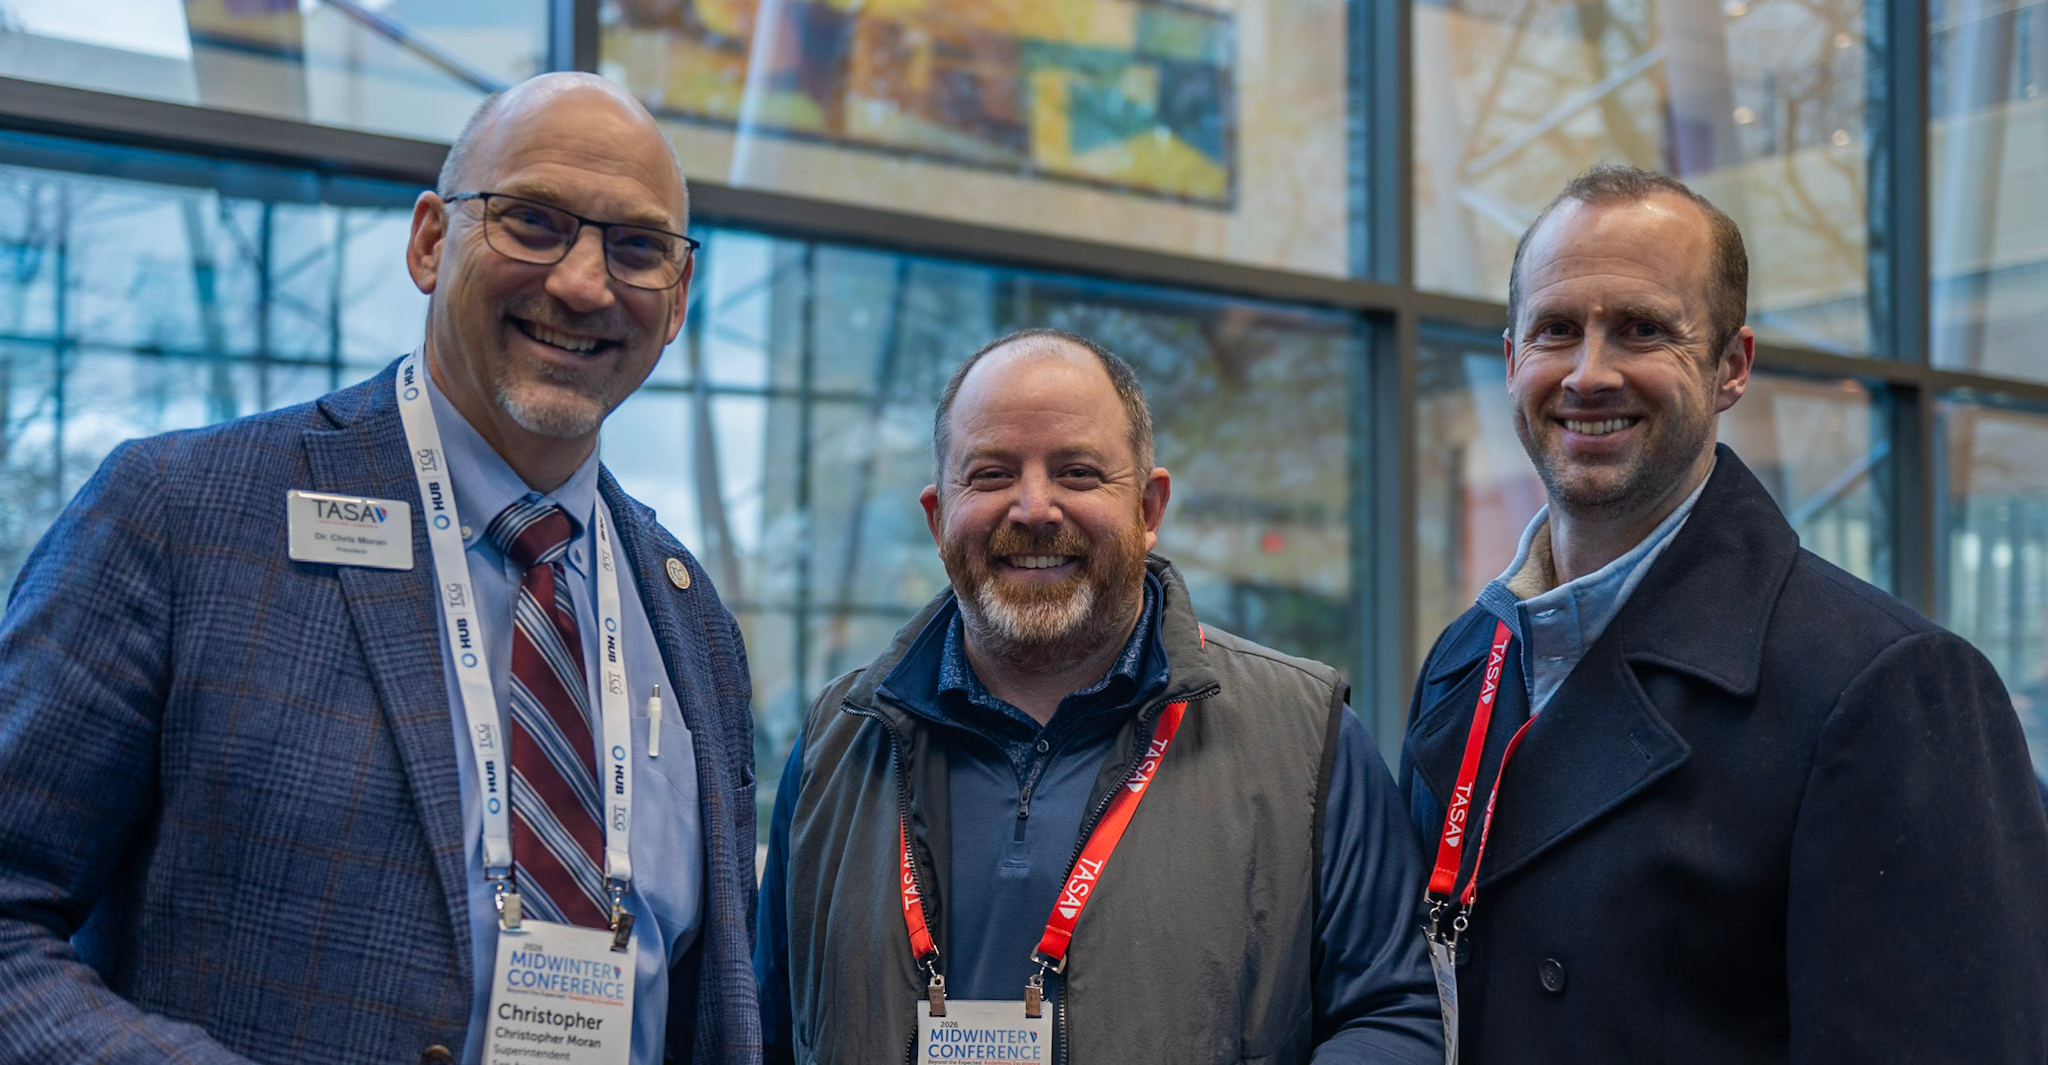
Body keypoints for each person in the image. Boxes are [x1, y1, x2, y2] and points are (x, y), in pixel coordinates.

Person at [0, 73, 759, 1065]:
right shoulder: (182, 514)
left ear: (678, 298)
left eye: (637, 247)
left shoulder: (691, 622)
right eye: (533, 221)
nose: (583, 283)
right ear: (431, 242)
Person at [1398, 164, 2048, 1063]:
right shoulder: (1467, 660)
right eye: (1557, 330)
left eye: (1642, 329)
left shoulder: (1889, 685)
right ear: (1512, 361)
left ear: (1731, 367)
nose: (1589, 373)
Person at [754, 328, 1443, 1064]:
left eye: (1078, 473)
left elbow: (1395, 1017)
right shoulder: (835, 742)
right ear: (937, 517)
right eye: (991, 474)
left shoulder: (1306, 738)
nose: (1034, 508)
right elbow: (762, 1027)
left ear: (1149, 509)